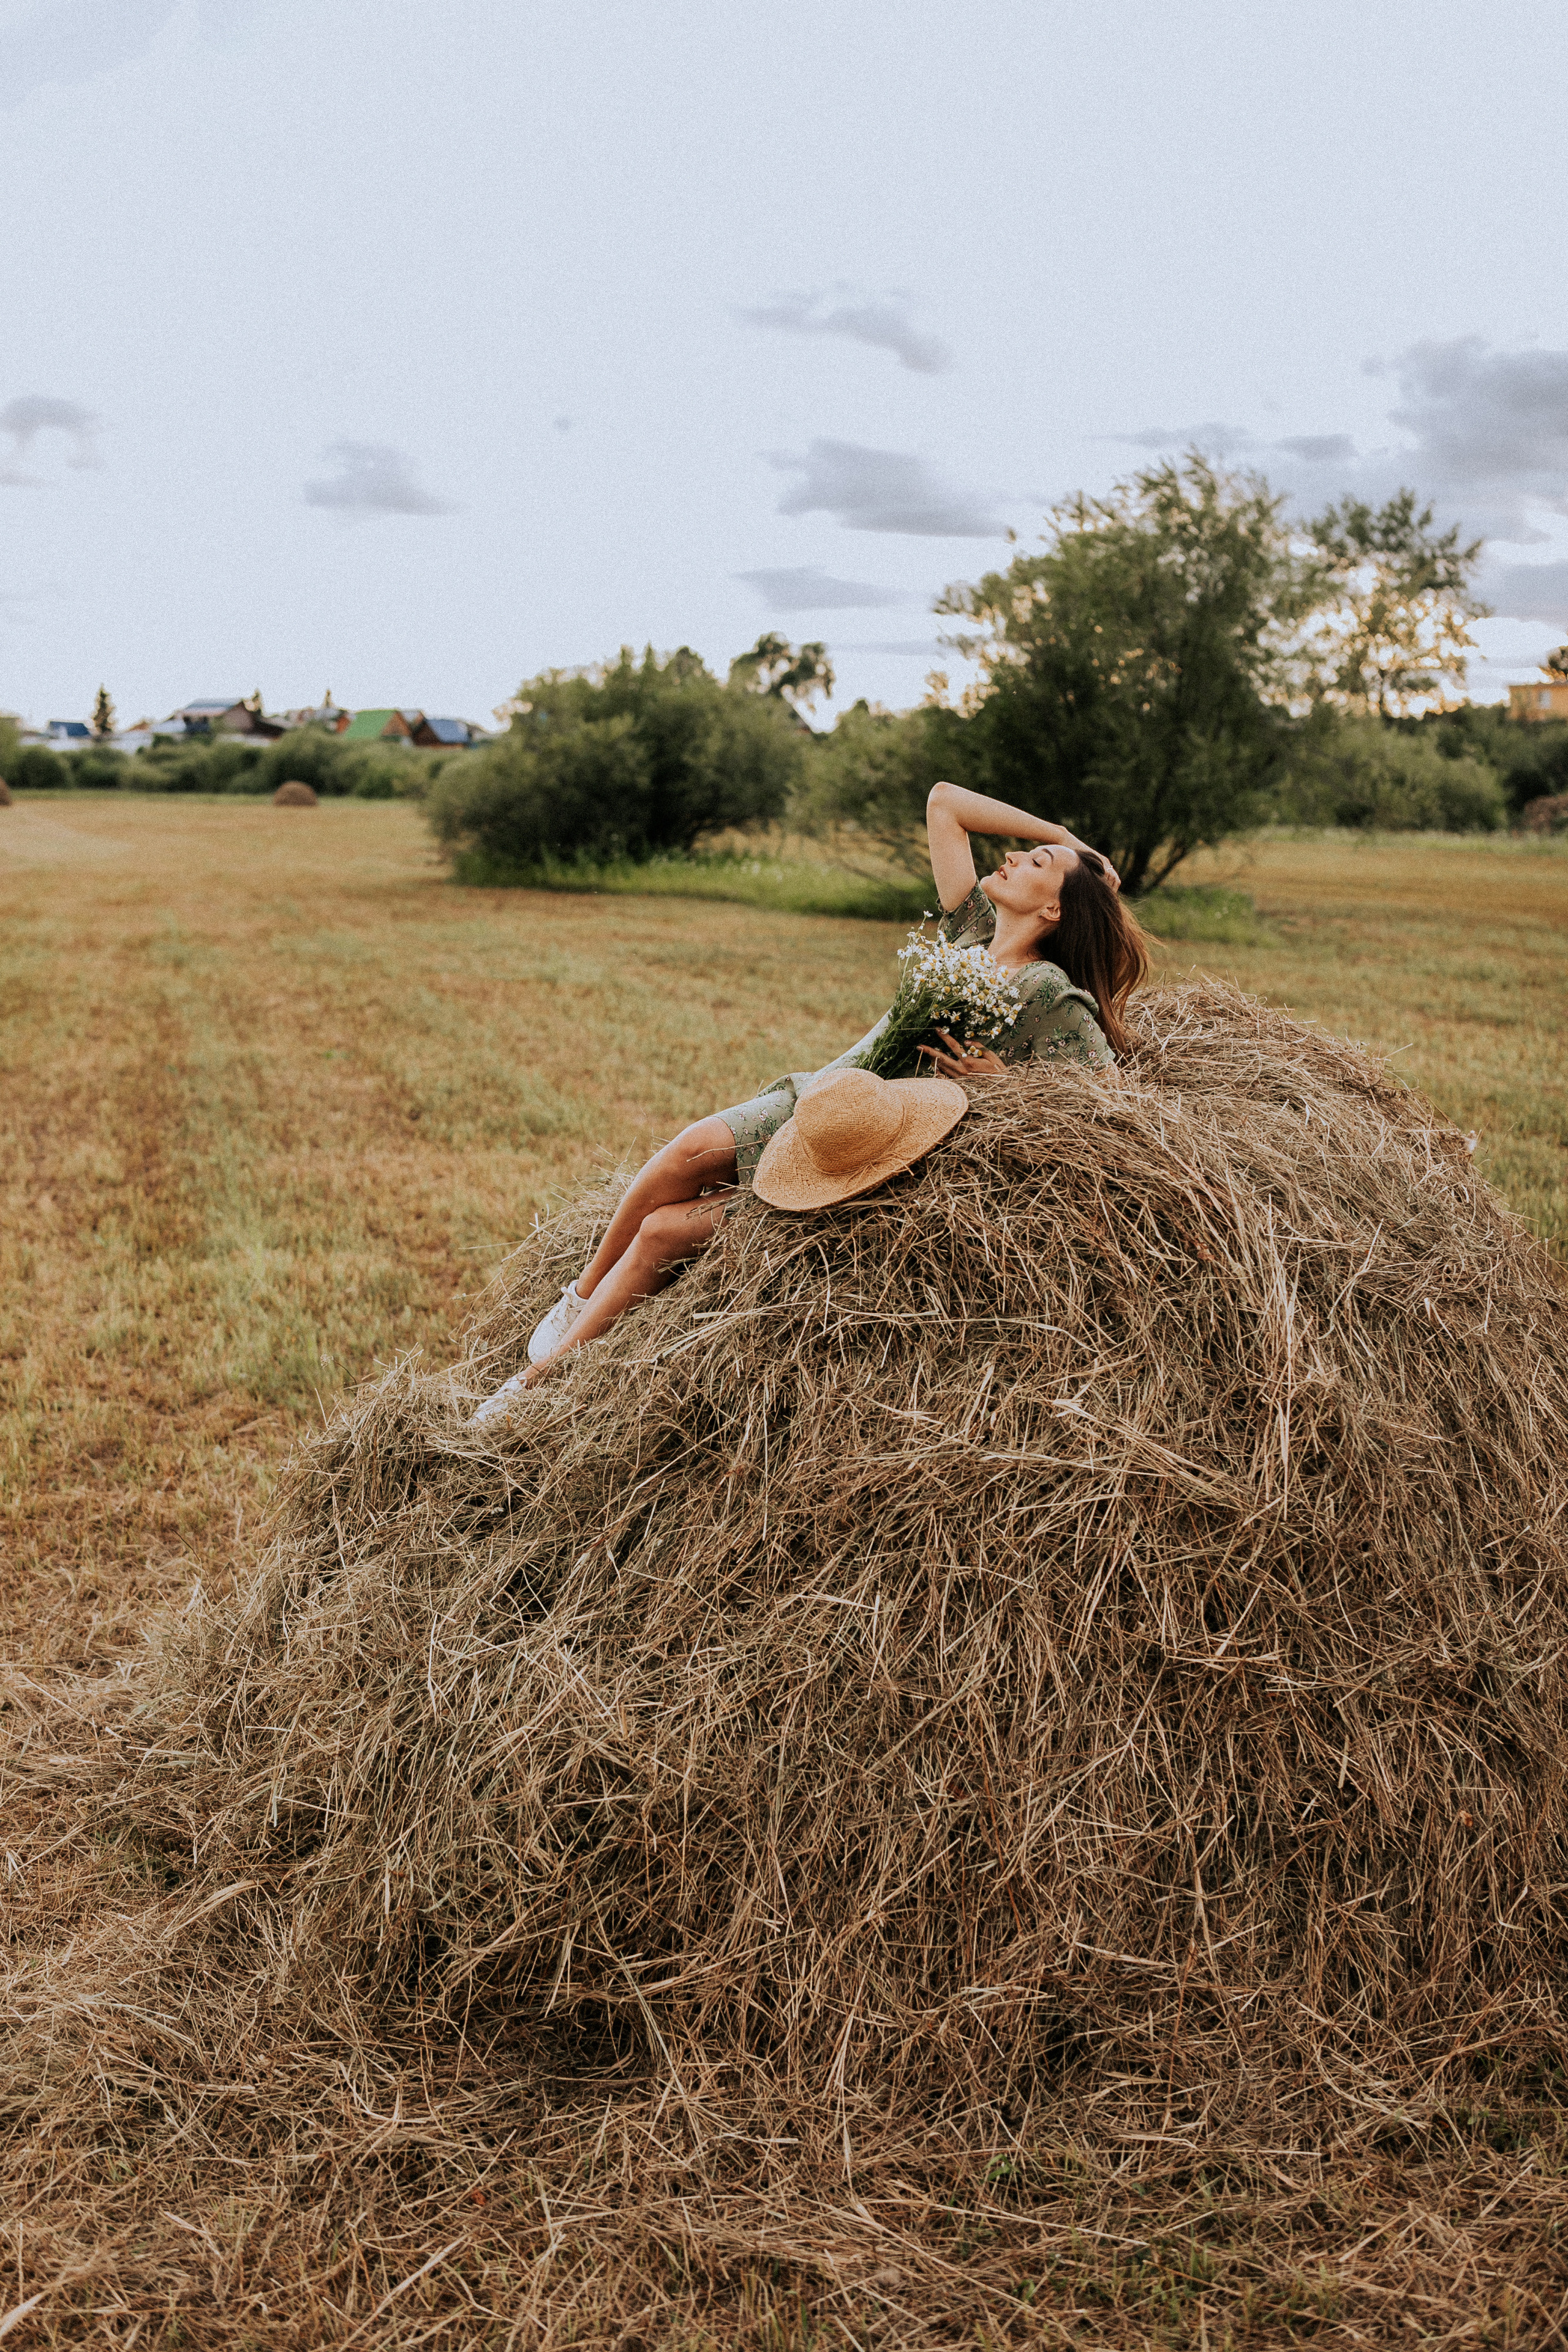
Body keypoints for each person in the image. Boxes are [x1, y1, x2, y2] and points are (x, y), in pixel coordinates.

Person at [472, 782, 1148, 1414]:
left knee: (663, 1233)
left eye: (1034, 861)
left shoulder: (1046, 992)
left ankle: (532, 1389)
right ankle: (578, 1296)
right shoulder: (967, 928)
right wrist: (1064, 835)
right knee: (687, 1152)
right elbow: (945, 803)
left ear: (1054, 907)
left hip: (875, 1147)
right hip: (824, 1099)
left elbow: (1111, 1106)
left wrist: (1005, 1088)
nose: (1010, 855)